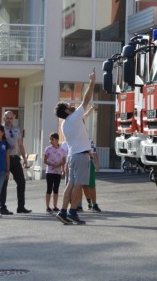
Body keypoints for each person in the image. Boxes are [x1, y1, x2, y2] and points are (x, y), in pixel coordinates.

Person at [54, 69, 96, 225]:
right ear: (66, 110)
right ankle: (72, 212)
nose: (71, 105)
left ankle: (63, 211)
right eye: (68, 105)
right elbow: (86, 99)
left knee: (71, 184)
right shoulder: (73, 117)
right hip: (80, 156)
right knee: (79, 185)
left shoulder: (66, 123)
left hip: (72, 156)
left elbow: (83, 113)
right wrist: (92, 81)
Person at [0, 110, 31, 215]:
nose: (9, 120)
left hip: (15, 158)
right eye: (7, 118)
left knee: (21, 182)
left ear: (14, 118)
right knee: (4, 183)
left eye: (11, 118)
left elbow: (20, 145)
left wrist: (25, 159)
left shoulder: (17, 129)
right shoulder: (0, 129)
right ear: (4, 118)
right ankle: (2, 207)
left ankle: (21, 207)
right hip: (4, 159)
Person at [43, 132, 67, 214]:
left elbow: (64, 161)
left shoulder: (62, 150)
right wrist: (51, 163)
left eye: (52, 139)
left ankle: (55, 206)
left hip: (58, 172)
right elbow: (45, 160)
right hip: (49, 172)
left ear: (57, 140)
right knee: (49, 188)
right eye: (50, 139)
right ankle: (47, 207)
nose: (50, 141)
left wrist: (62, 169)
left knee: (56, 189)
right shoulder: (47, 149)